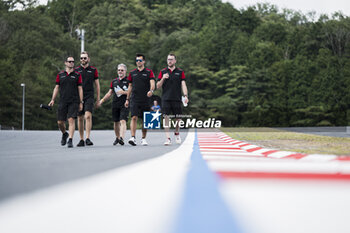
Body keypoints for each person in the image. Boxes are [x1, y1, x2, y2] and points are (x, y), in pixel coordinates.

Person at [48, 56, 83, 148]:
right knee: (60, 122)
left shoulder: (77, 75)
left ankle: (70, 140)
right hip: (63, 100)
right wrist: (53, 99)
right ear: (65, 63)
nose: (71, 63)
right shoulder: (60, 75)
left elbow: (80, 89)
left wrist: (81, 102)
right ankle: (64, 134)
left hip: (74, 101)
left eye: (73, 61)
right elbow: (56, 88)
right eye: (69, 61)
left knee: (71, 120)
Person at [157, 53, 188, 145]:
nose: (169, 61)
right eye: (168, 59)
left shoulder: (180, 72)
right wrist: (163, 78)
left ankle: (177, 132)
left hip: (177, 98)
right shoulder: (163, 71)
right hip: (166, 98)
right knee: (166, 118)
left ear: (175, 61)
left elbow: (183, 84)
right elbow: (158, 86)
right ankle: (168, 138)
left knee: (178, 119)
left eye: (171, 59)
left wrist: (185, 95)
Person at [125, 53, 155, 146]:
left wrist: (151, 90)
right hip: (134, 99)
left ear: (144, 61)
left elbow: (152, 83)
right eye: (137, 60)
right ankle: (133, 137)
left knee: (145, 120)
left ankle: (143, 138)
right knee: (133, 117)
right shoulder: (132, 73)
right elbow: (129, 86)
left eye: (140, 60)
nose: (138, 62)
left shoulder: (149, 72)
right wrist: (127, 99)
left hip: (146, 99)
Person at [99, 64, 129, 146]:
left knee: (123, 120)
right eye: (119, 70)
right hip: (115, 103)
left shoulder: (129, 81)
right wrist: (102, 100)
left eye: (122, 70)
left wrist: (124, 92)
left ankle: (122, 138)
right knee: (116, 122)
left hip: (125, 103)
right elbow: (110, 93)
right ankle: (117, 137)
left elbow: (133, 92)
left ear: (125, 71)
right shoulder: (114, 81)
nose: (120, 72)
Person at [74, 51, 100, 147]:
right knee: (80, 118)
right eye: (81, 58)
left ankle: (88, 138)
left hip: (89, 96)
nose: (83, 60)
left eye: (85, 58)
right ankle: (81, 139)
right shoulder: (76, 70)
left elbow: (97, 85)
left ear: (88, 59)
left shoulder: (93, 70)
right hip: (78, 97)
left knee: (88, 116)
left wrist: (98, 99)